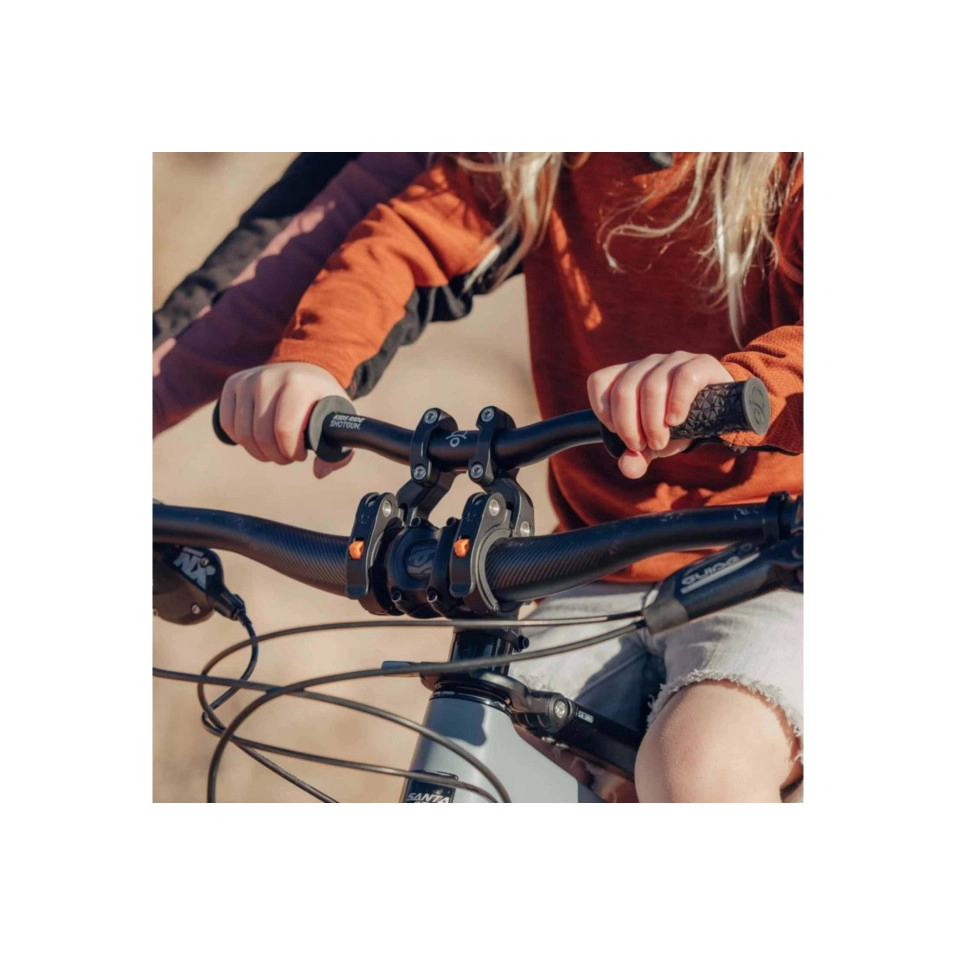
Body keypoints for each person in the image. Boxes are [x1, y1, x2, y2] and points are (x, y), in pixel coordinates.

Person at [213, 152, 804, 802]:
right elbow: (410, 238)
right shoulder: (541, 160)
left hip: (779, 557)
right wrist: (314, 360)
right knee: (479, 742)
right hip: (592, 563)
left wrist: (745, 383)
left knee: (699, 764)